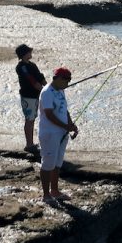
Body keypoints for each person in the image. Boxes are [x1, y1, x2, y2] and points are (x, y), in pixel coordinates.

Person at [39, 66, 78, 205]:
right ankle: (46, 194)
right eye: (67, 80)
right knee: (47, 163)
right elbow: (49, 114)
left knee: (57, 163)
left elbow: (64, 110)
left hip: (62, 132)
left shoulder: (61, 90)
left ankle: (55, 191)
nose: (68, 83)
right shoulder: (47, 92)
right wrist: (65, 126)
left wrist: (71, 125)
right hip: (49, 133)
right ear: (59, 78)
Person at [15, 44, 47, 154]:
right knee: (29, 120)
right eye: (29, 51)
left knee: (32, 119)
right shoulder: (21, 67)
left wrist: (48, 88)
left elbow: (39, 76)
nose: (31, 53)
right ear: (24, 54)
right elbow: (31, 80)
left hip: (35, 96)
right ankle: (29, 145)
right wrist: (43, 90)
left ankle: (31, 143)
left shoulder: (32, 65)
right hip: (28, 96)